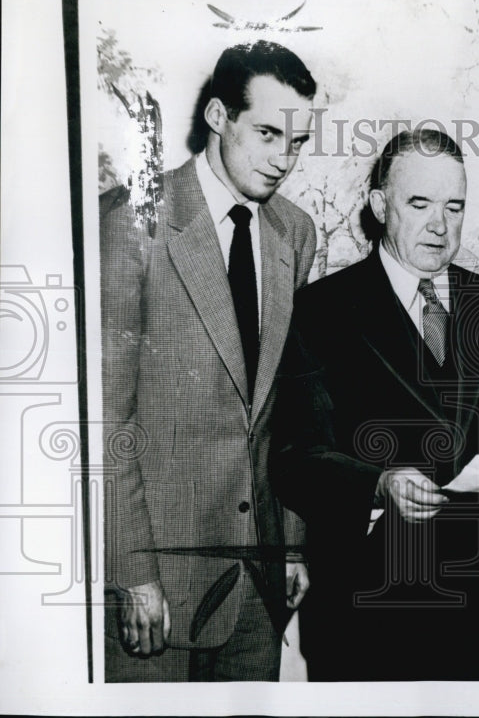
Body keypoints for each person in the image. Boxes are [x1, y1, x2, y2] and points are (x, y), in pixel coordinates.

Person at [270, 129, 479, 681]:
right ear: (379, 206)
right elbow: (297, 457)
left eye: (454, 206)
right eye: (419, 204)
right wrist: (378, 482)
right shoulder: (321, 310)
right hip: (365, 614)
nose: (440, 226)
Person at [101, 40, 317, 681]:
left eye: (299, 141)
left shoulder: (297, 233)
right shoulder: (131, 222)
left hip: (257, 581)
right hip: (158, 582)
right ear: (219, 116)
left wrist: (293, 545)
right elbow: (107, 420)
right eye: (269, 134)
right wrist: (132, 570)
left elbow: (292, 410)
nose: (285, 160)